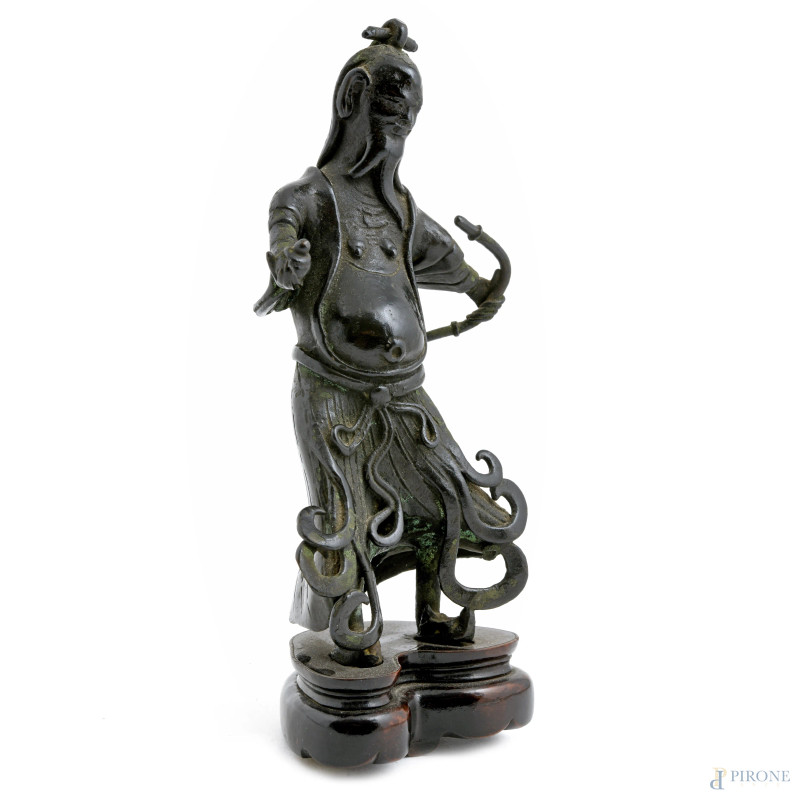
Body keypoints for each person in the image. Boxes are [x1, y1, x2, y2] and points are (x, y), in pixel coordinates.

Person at [254, 20, 527, 666]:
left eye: (411, 111)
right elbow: (283, 239)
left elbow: (446, 258)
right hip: (334, 396)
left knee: (446, 500)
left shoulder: (401, 210)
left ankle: (433, 611)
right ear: (352, 98)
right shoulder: (308, 199)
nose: (402, 121)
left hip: (407, 400)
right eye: (392, 101)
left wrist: (482, 288)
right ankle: (353, 627)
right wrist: (287, 261)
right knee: (345, 517)